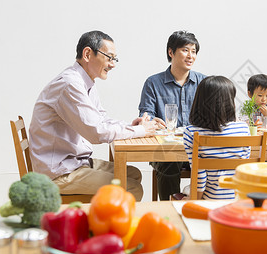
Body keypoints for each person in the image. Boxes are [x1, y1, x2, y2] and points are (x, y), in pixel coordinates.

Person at [29, 30, 160, 201]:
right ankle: (110, 226)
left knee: (133, 174)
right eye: (109, 57)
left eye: (114, 59)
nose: (112, 64)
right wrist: (141, 131)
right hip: (59, 172)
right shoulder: (70, 84)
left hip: (73, 162)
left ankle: (106, 221)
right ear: (88, 54)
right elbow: (96, 133)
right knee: (131, 188)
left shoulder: (85, 82)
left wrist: (131, 126)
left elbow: (101, 120)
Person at [138, 30, 206, 200]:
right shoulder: (153, 83)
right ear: (171, 52)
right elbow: (145, 116)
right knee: (169, 160)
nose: (190, 56)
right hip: (165, 149)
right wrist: (152, 121)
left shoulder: (204, 83)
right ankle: (170, 209)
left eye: (194, 51)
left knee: (218, 159)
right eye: (185, 50)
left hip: (197, 148)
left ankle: (205, 209)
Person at [183, 76, 250, 200]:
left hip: (210, 201)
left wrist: (193, 201)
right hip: (239, 199)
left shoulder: (191, 133)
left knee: (183, 193)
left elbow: (200, 175)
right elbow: (243, 167)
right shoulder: (243, 129)